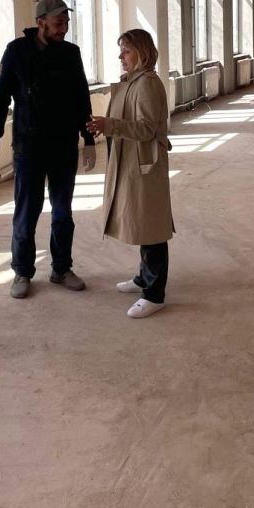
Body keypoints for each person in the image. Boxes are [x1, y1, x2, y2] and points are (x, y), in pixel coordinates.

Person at [0, 0, 96, 299]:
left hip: (63, 146)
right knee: (27, 212)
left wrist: (88, 140)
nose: (64, 28)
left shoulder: (71, 53)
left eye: (66, 22)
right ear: (41, 22)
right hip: (29, 147)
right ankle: (22, 271)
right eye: (58, 23)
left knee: (62, 212)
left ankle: (61, 269)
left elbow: (81, 97)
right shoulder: (17, 52)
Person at [87, 29, 173, 319]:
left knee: (152, 226)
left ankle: (154, 294)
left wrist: (109, 125)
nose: (121, 56)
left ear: (142, 52)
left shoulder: (147, 83)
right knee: (140, 222)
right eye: (121, 51)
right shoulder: (132, 81)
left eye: (126, 51)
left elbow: (146, 128)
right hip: (130, 161)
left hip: (144, 163)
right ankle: (143, 278)